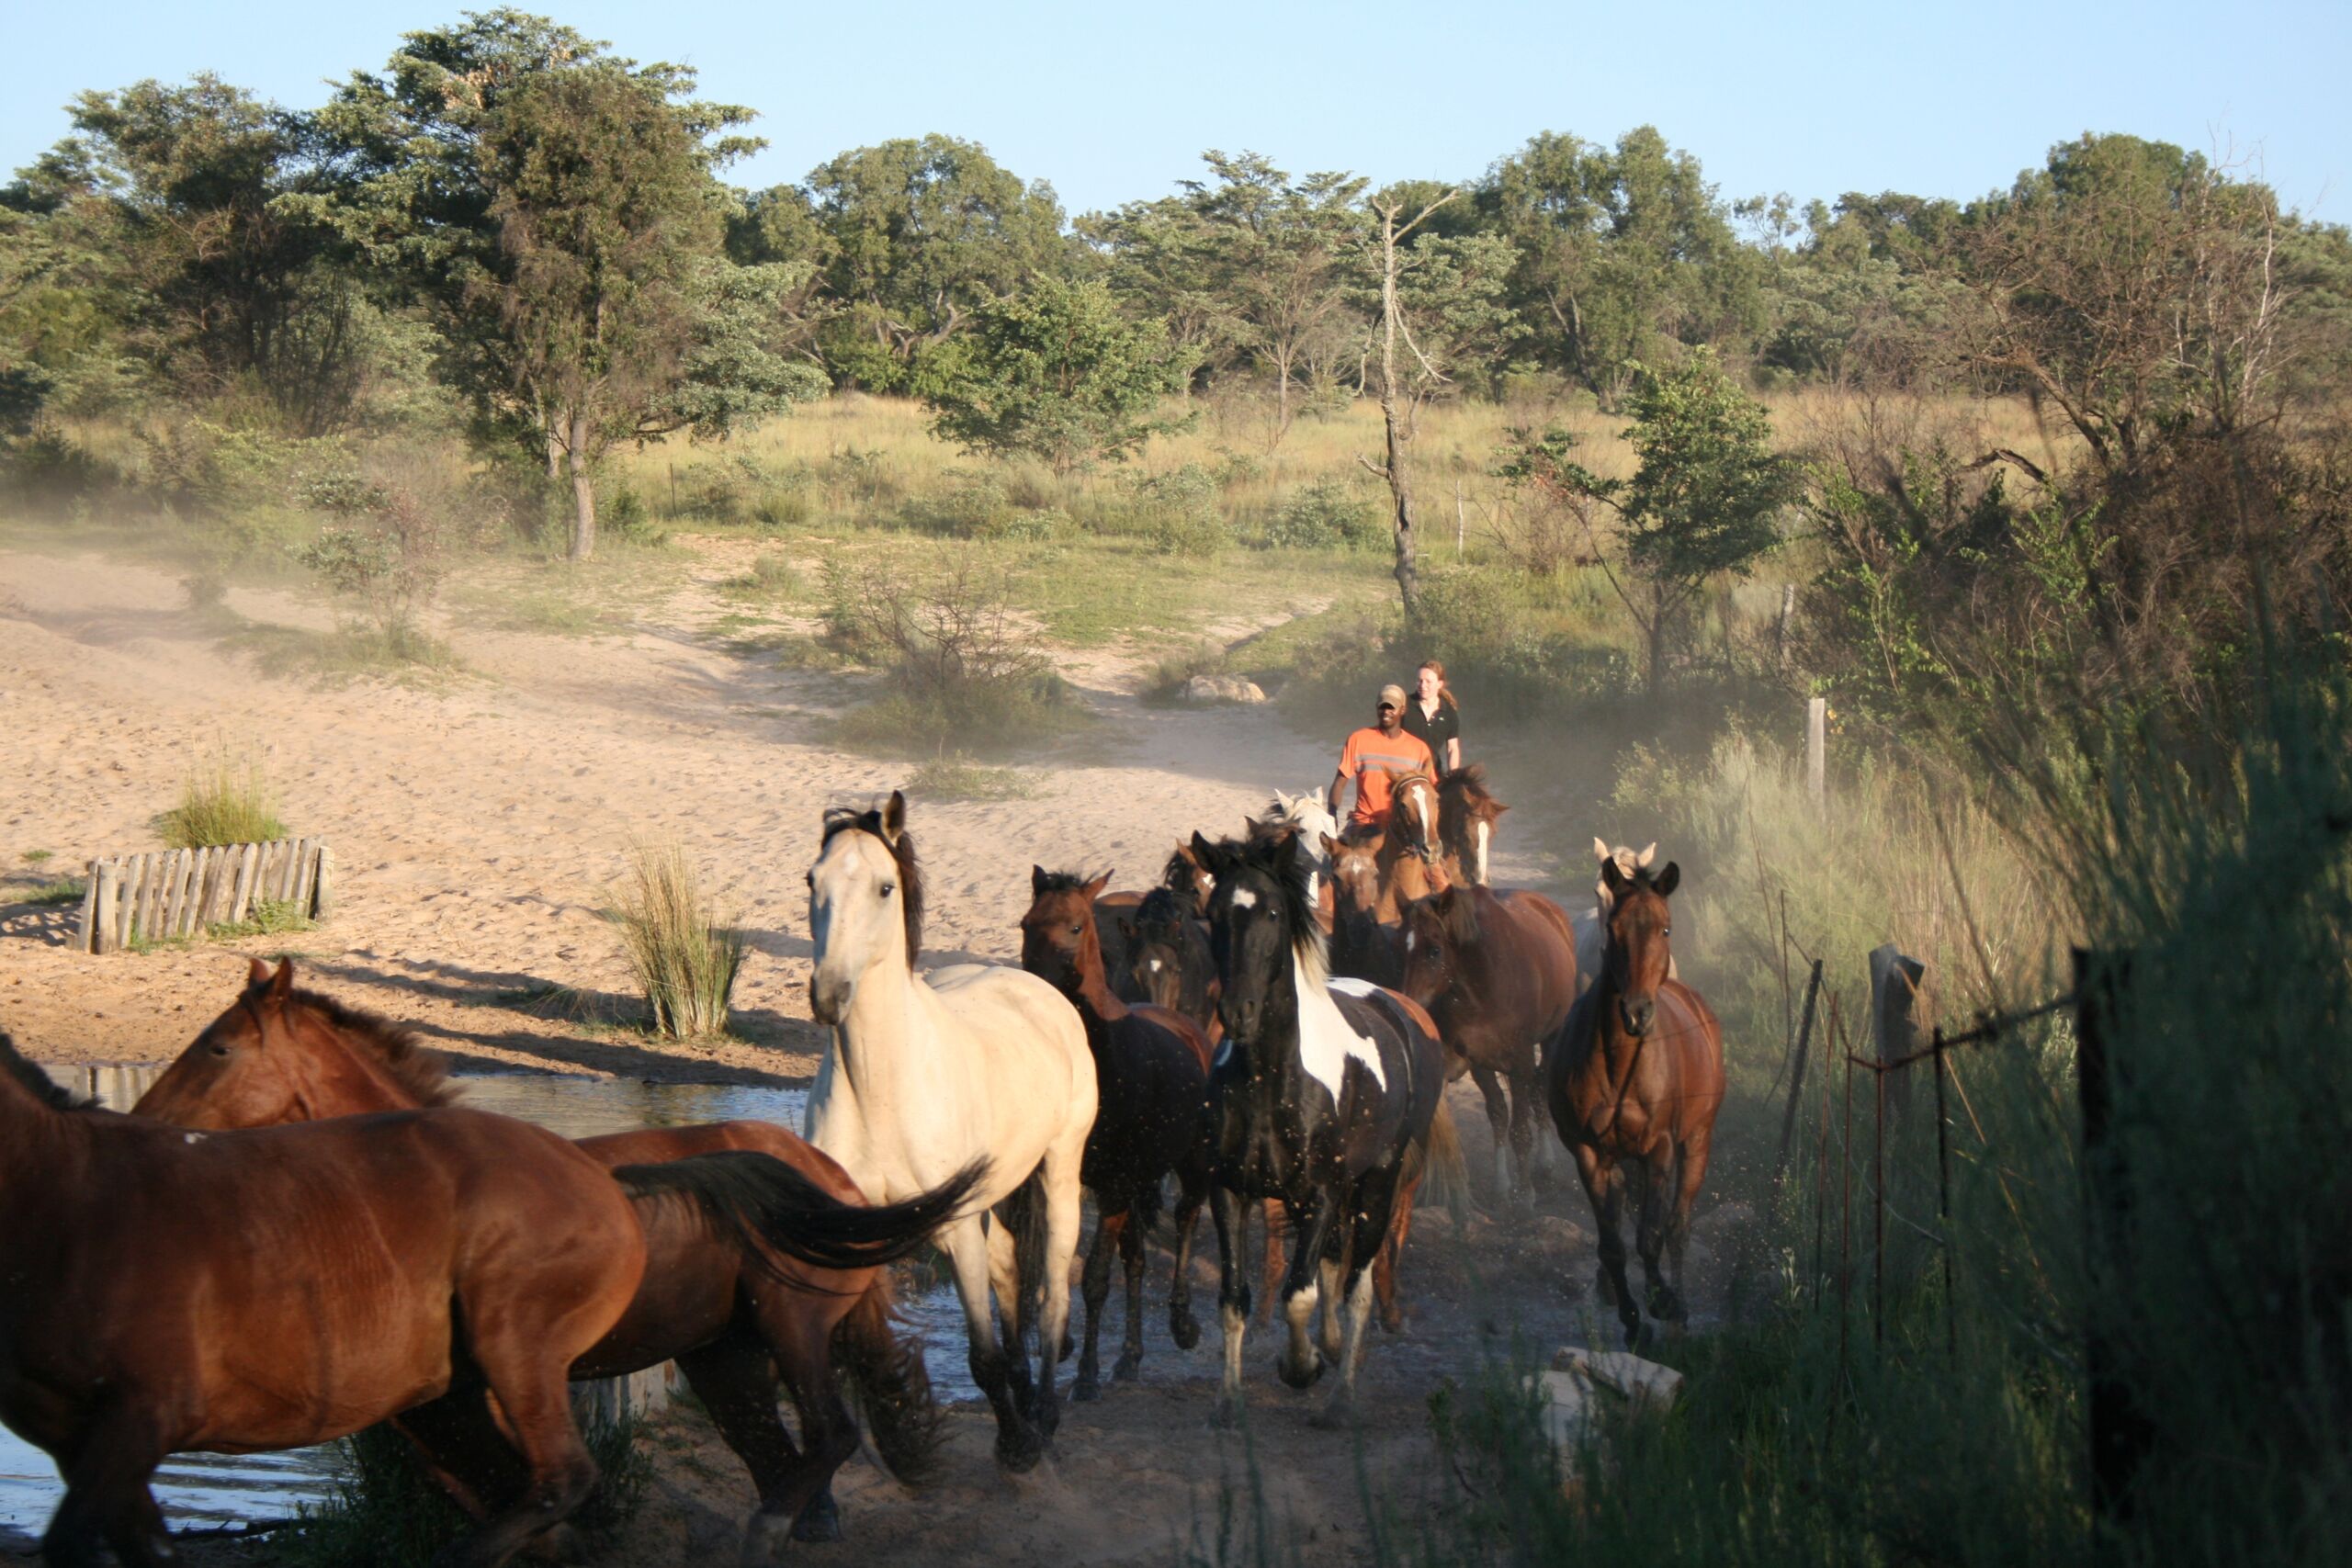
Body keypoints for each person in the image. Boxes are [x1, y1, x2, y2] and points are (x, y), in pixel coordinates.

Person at [1330, 683, 1437, 837]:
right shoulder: (1358, 740)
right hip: (1364, 825)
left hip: (1404, 829)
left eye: (1391, 707)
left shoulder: (1419, 748)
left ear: (1403, 710)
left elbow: (1431, 792)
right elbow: (1339, 783)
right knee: (1339, 859)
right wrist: (1331, 815)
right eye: (1382, 707)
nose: (1386, 712)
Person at [1398, 659, 1462, 776]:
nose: (1423, 685)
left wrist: (1454, 774)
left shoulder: (1449, 713)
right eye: (1419, 681)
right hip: (1404, 774)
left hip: (1433, 774)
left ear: (1439, 684)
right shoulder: (1404, 705)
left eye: (1428, 682)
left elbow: (1452, 748)